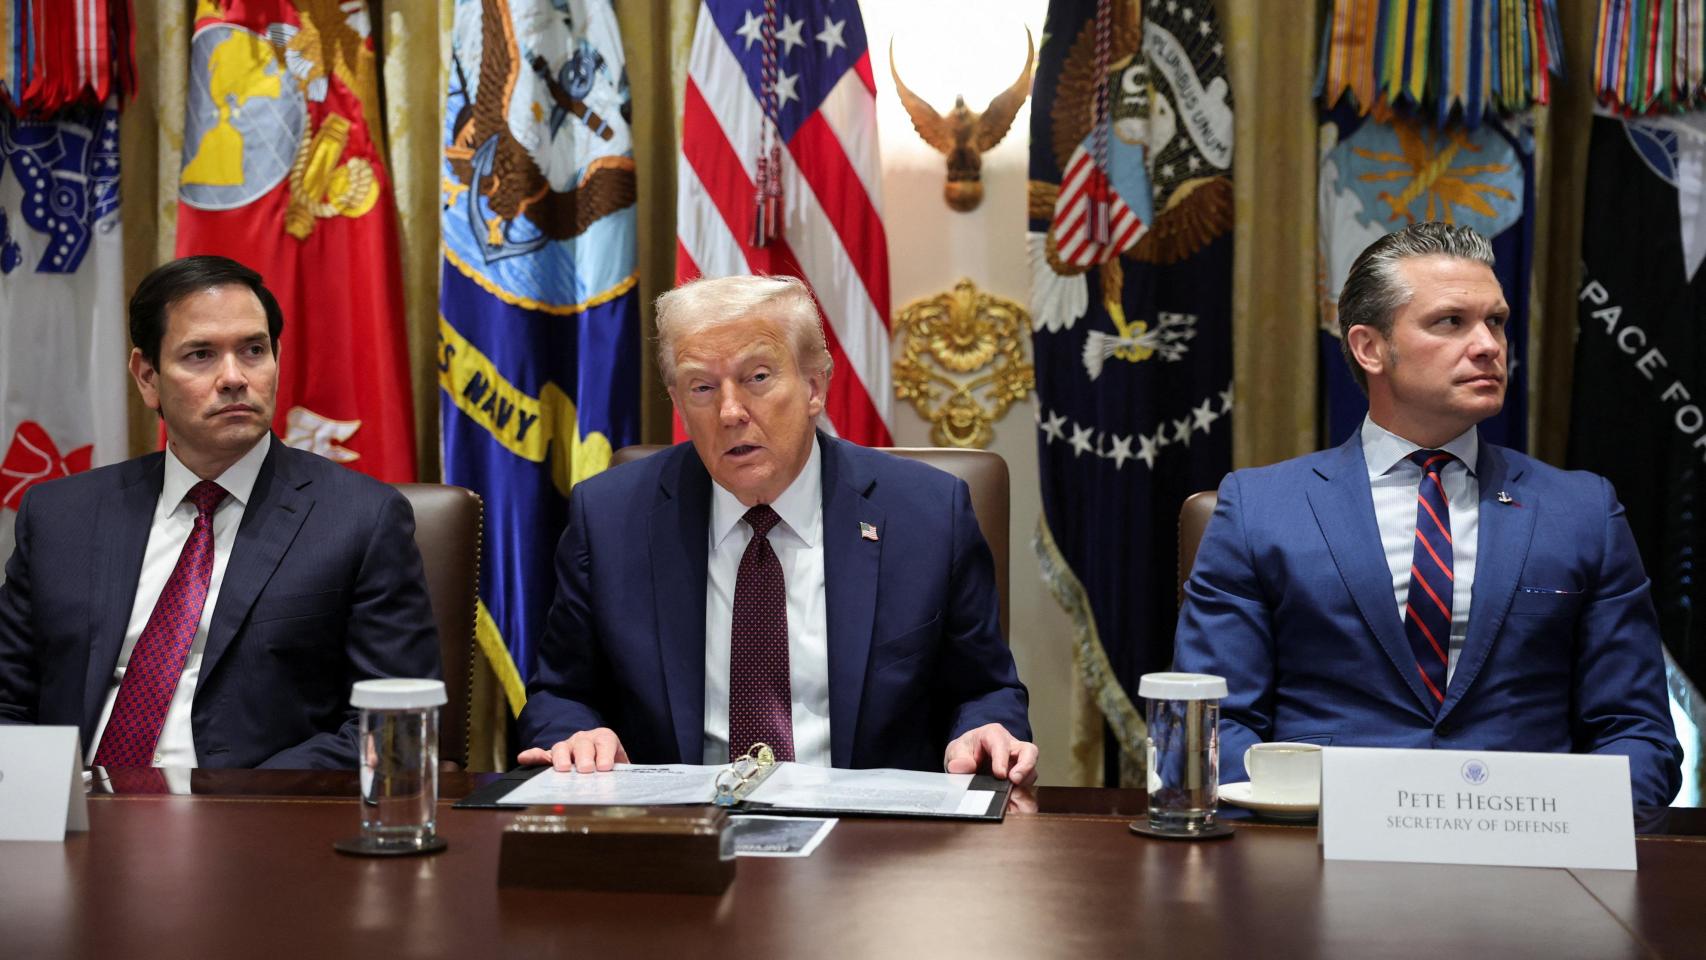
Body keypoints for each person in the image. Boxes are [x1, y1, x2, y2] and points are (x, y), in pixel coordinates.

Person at [1174, 222, 1683, 807]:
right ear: (1370, 348)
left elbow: (1637, 731)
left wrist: (1579, 833)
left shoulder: (1582, 510)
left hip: (1529, 848)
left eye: (1496, 321)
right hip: (1318, 848)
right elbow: (1213, 724)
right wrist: (1323, 815)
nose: (1489, 345)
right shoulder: (1261, 508)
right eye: (1451, 322)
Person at [517, 275, 1038, 785]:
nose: (730, 411)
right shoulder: (610, 518)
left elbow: (985, 690)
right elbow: (558, 696)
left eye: (758, 378)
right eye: (702, 387)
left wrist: (981, 732)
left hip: (870, 847)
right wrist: (579, 732)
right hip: (683, 842)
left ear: (814, 386)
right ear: (677, 403)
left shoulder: (926, 515)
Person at [0, 255, 440, 770]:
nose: (234, 377)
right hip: (76, 819)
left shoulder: (361, 519)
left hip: (251, 827)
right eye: (201, 355)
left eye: (254, 350)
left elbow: (392, 725)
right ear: (147, 377)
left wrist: (224, 806)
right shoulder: (61, 516)